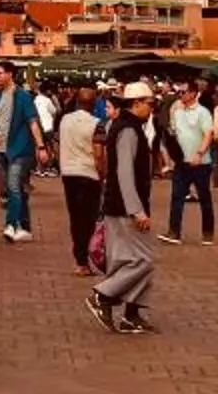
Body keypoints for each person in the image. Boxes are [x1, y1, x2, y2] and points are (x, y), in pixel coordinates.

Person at [89, 82, 158, 335]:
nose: (151, 108)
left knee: (125, 260)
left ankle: (132, 314)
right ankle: (103, 296)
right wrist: (136, 210)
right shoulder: (128, 129)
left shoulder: (124, 126)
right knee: (142, 260)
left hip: (119, 204)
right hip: (125, 206)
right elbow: (124, 173)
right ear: (136, 103)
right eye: (149, 103)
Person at [57, 85, 105, 271]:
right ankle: (84, 258)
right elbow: (99, 153)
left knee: (75, 217)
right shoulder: (96, 124)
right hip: (88, 173)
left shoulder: (65, 120)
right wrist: (102, 174)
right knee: (88, 218)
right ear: (94, 104)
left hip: (68, 172)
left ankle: (80, 259)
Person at [0, 64, 42, 240]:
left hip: (20, 149)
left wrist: (41, 146)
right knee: (16, 188)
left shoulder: (23, 96)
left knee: (13, 186)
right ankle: (25, 227)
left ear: (10, 74)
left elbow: (33, 121)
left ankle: (11, 224)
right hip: (1, 149)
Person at [163, 81, 216, 244]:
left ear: (193, 93)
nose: (180, 95)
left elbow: (208, 134)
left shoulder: (203, 112)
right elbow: (174, 132)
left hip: (201, 163)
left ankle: (208, 233)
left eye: (183, 92)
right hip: (182, 162)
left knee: (204, 198)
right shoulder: (178, 112)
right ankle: (174, 232)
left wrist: (200, 153)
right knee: (177, 197)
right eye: (179, 92)